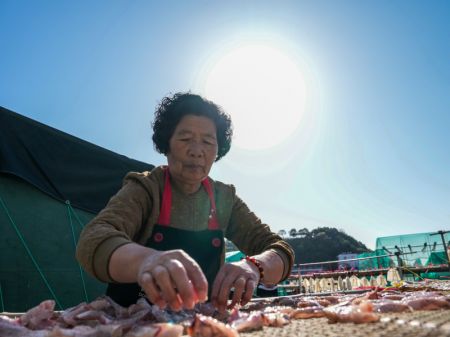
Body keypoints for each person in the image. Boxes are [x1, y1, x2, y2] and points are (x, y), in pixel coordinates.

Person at [76, 92, 294, 312]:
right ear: (167, 144)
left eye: (208, 142)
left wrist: (256, 266)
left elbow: (279, 250)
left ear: (218, 150)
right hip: (132, 320)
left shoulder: (224, 198)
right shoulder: (146, 189)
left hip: (199, 323)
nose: (197, 151)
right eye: (185, 139)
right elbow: (94, 239)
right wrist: (147, 260)